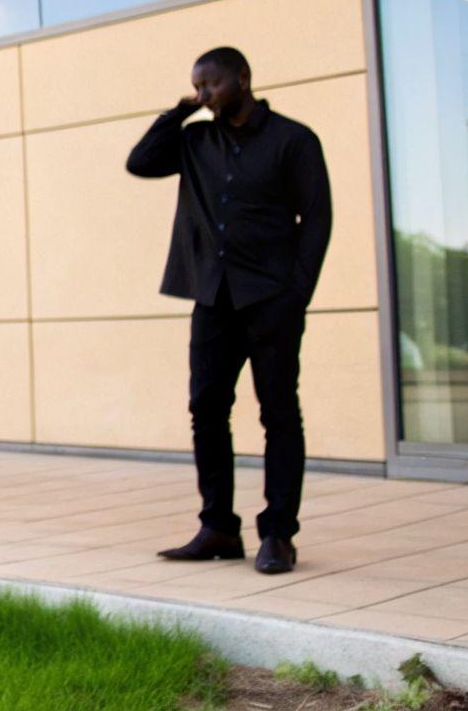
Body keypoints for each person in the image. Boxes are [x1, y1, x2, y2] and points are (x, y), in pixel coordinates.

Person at [126, 46, 331, 575]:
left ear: (242, 78)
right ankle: (218, 526)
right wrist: (179, 111)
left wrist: (296, 293)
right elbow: (140, 162)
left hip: (270, 300)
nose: (203, 94)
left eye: (209, 85)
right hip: (212, 298)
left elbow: (318, 219)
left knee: (279, 413)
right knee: (206, 410)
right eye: (196, 86)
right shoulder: (195, 139)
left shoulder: (294, 139)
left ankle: (279, 535)